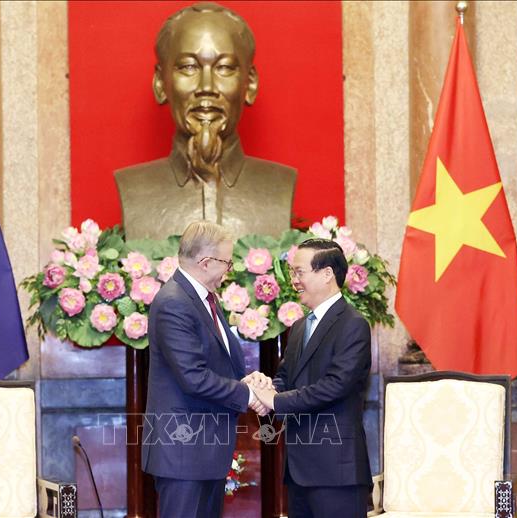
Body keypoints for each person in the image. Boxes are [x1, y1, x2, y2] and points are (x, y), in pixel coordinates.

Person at [115, 2, 296, 240]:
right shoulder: (134, 187)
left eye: (224, 68)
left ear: (250, 84)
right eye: (189, 67)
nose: (206, 87)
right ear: (160, 83)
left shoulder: (279, 185)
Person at [142, 220, 269, 518]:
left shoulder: (203, 299)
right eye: (227, 262)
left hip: (203, 451)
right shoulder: (174, 302)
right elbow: (193, 377)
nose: (230, 269)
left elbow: (214, 363)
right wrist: (248, 394)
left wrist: (247, 380)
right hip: (183, 451)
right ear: (206, 262)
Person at [251, 238, 373, 518]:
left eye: (299, 272)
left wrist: (276, 401)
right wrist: (262, 390)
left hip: (337, 471)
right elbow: (285, 379)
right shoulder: (298, 327)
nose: (294, 280)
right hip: (298, 470)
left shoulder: (353, 324)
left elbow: (336, 385)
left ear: (327, 273)